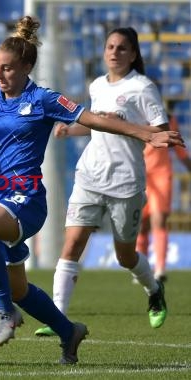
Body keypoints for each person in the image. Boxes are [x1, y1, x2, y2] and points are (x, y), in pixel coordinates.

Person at [0, 16, 183, 364]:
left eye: (8, 69)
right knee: (19, 288)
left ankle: (3, 312)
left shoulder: (43, 99)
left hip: (26, 200)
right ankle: (68, 331)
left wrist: (147, 134)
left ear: (27, 67)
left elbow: (94, 119)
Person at [34, 27, 175, 338]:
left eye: (122, 48)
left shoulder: (143, 88)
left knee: (125, 255)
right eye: (110, 47)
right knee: (71, 245)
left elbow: (160, 133)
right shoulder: (96, 85)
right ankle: (58, 317)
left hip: (125, 181)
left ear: (133, 54)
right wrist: (70, 130)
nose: (114, 52)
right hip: (90, 176)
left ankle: (154, 290)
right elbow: (97, 126)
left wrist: (127, 125)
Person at [136, 112, 191, 283]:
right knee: (141, 225)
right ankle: (142, 270)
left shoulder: (169, 119)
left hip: (161, 175)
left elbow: (179, 149)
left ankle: (160, 269)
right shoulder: (134, 118)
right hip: (139, 174)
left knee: (159, 220)